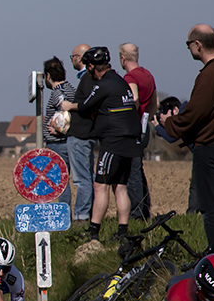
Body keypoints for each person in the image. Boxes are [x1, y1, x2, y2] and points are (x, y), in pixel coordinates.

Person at [159, 25, 214, 254]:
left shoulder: (209, 74)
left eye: (188, 44)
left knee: (211, 206)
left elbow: (195, 114)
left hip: (211, 148)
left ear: (198, 45)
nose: (188, 49)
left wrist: (168, 122)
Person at [61, 46, 141, 244]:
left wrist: (69, 106)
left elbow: (86, 106)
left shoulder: (103, 84)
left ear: (90, 67)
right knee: (120, 187)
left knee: (101, 186)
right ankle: (123, 231)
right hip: (130, 138)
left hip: (112, 140)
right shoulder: (121, 81)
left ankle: (93, 232)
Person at [120, 43, 155, 221]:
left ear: (123, 58)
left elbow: (134, 98)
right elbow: (154, 102)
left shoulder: (130, 77)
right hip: (145, 127)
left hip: (134, 128)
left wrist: (128, 116)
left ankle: (136, 214)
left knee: (132, 172)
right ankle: (145, 209)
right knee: (138, 170)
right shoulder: (147, 74)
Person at [65, 44, 95, 223]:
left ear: (79, 58)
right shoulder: (92, 78)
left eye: (73, 57)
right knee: (86, 177)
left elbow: (87, 104)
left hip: (81, 135)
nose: (72, 60)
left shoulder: (87, 78)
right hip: (89, 135)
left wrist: (69, 107)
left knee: (82, 179)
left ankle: (81, 217)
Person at [42, 57, 76, 209]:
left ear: (48, 76)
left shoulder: (58, 92)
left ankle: (64, 214)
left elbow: (65, 112)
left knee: (60, 181)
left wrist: (58, 130)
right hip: (67, 142)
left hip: (58, 144)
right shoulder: (70, 88)